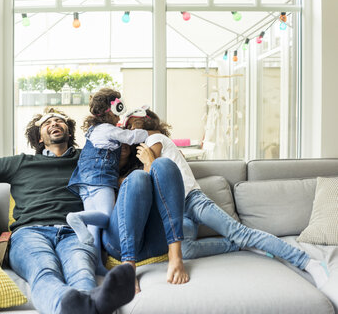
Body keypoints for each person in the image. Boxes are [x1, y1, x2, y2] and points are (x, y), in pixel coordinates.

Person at [0, 108, 136, 314]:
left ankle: (83, 304)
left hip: (75, 230)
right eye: (47, 122)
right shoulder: (21, 163)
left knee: (81, 270)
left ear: (69, 132)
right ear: (40, 138)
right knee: (44, 271)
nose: (54, 123)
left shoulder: (86, 159)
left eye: (59, 120)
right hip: (30, 233)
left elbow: (119, 156)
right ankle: (69, 303)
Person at [123, 106, 330, 289]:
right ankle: (238, 246)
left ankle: (308, 262)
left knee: (242, 233)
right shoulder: (163, 142)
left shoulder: (154, 138)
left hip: (193, 201)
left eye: (131, 128)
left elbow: (155, 176)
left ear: (139, 127)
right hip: (179, 211)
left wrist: (147, 161)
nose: (130, 135)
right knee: (185, 250)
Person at [67, 88, 151, 275]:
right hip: (101, 178)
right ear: (115, 108)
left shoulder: (94, 130)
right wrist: (146, 133)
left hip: (83, 181)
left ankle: (97, 265)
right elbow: (130, 137)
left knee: (94, 226)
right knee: (106, 217)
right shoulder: (108, 129)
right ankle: (76, 217)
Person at [100, 143, 190, 293]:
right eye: (118, 136)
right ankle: (128, 265)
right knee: (138, 177)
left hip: (156, 242)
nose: (122, 143)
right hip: (120, 243)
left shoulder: (144, 160)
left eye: (127, 136)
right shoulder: (98, 167)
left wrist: (150, 162)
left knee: (164, 163)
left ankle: (175, 255)